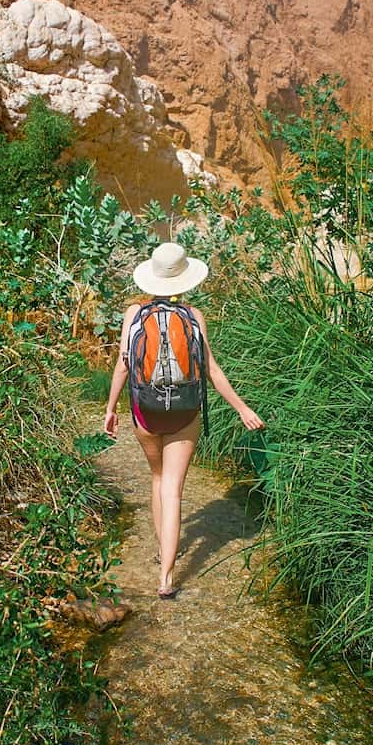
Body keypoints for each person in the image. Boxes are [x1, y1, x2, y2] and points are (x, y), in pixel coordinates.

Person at [104, 242, 264, 599]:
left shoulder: (134, 314)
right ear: (184, 279)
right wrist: (241, 407)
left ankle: (163, 549)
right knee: (174, 489)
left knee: (158, 478)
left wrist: (111, 407)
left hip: (145, 410)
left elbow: (124, 364)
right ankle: (166, 579)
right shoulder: (193, 315)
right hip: (186, 410)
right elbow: (210, 369)